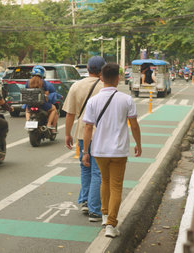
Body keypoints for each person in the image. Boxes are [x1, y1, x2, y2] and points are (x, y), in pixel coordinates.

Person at [82, 63, 142, 238]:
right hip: (119, 151)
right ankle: (111, 224)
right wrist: (138, 143)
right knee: (116, 186)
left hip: (99, 150)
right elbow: (134, 125)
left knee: (104, 182)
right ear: (118, 78)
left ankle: (105, 215)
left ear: (101, 78)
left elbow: (87, 128)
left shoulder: (93, 101)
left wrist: (85, 151)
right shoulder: (126, 99)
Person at [63, 56, 105, 221]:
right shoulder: (105, 87)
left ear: (87, 68)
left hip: (82, 133)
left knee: (85, 167)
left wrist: (67, 134)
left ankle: (86, 201)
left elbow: (70, 113)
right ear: (102, 70)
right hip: (101, 134)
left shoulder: (76, 86)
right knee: (97, 170)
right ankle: (95, 209)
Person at [25, 65, 58, 132]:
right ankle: (49, 124)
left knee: (27, 110)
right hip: (42, 105)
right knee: (54, 109)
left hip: (30, 104)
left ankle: (28, 121)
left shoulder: (28, 82)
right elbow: (46, 94)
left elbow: (26, 92)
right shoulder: (43, 82)